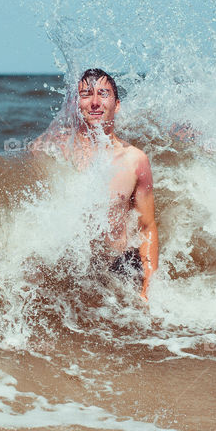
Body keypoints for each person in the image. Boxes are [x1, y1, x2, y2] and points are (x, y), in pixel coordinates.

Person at [33, 68, 160, 302]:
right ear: (76, 104)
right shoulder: (54, 149)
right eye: (85, 94)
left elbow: (147, 227)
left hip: (118, 268)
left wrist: (147, 289)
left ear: (117, 104)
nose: (94, 102)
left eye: (103, 94)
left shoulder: (135, 160)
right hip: (71, 270)